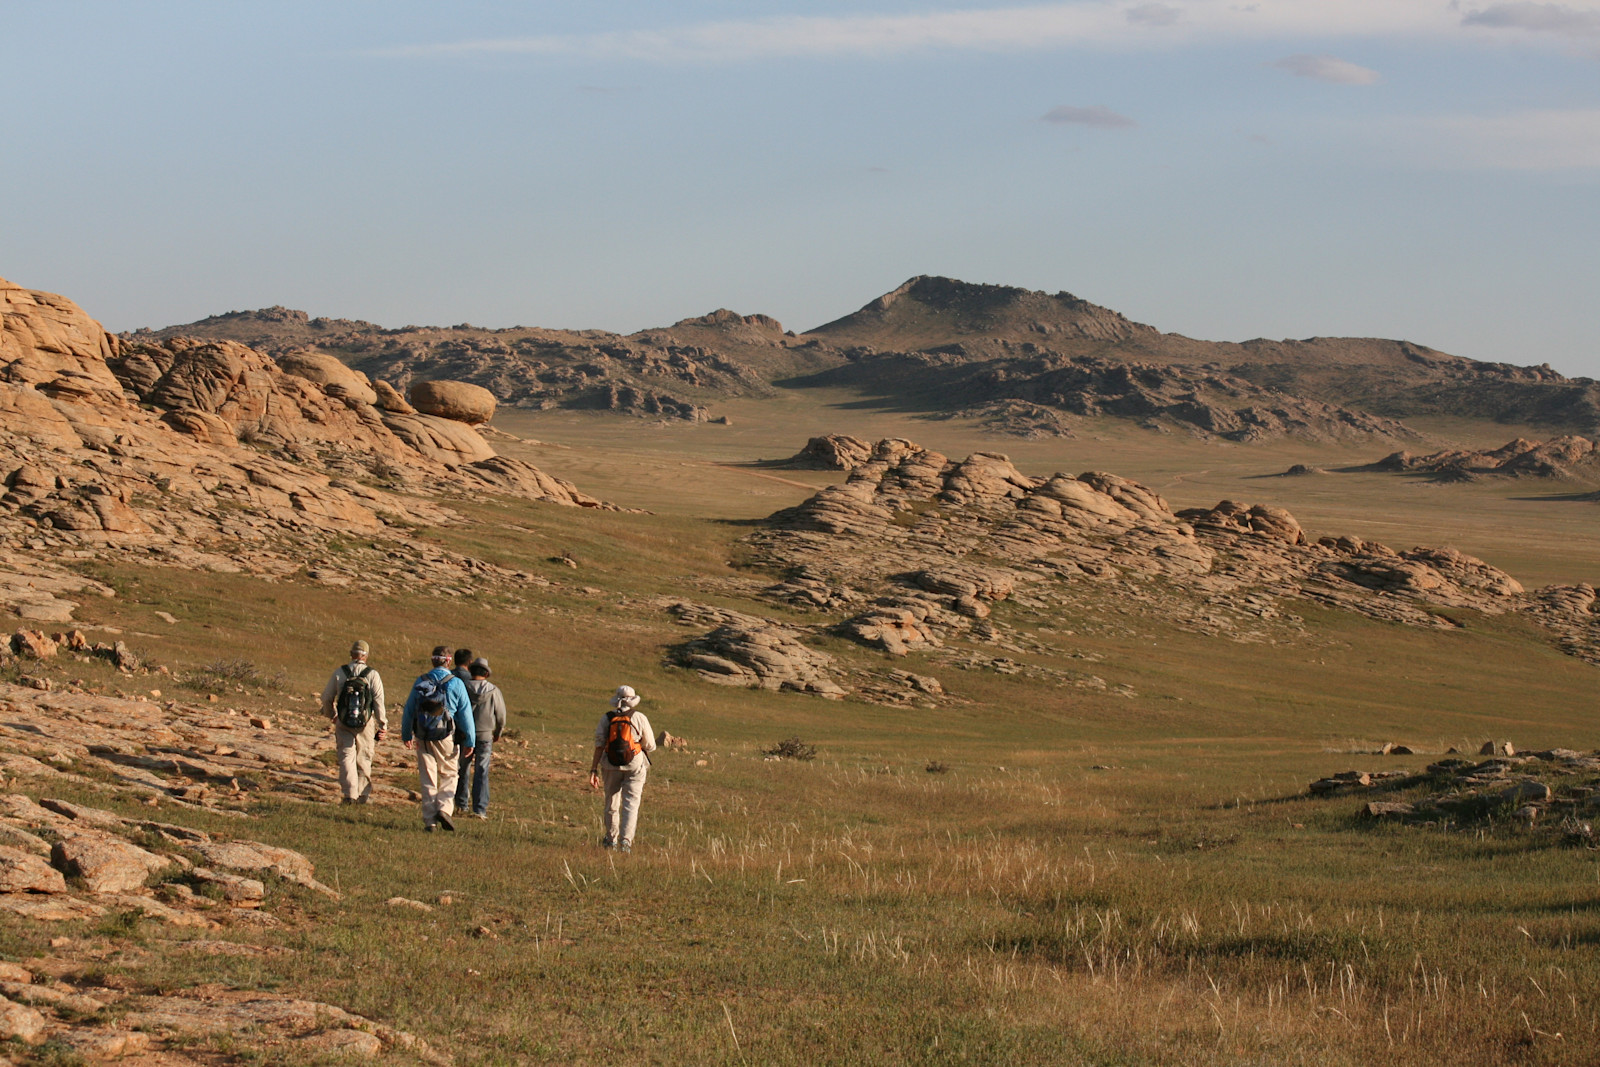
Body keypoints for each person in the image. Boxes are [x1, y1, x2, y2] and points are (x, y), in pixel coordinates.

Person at [401, 645, 475, 832]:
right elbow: (465, 715)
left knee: (428, 777)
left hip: (423, 735)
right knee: (449, 773)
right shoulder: (456, 683)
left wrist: (406, 733)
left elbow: (409, 709)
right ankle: (444, 808)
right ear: (448, 661)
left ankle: (430, 820)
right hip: (445, 736)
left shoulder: (421, 680)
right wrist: (470, 741)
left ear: (432, 661)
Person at [588, 684, 656, 853]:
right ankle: (625, 841)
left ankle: (610, 839)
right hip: (635, 764)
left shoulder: (607, 718)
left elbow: (599, 744)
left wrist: (593, 769)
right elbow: (651, 745)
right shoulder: (639, 717)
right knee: (631, 804)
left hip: (610, 764)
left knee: (611, 802)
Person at [319, 640, 387, 804]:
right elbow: (378, 702)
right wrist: (383, 725)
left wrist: (333, 715)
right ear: (366, 656)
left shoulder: (340, 672)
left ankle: (350, 794)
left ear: (351, 654)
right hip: (366, 723)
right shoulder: (372, 674)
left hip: (343, 721)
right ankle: (363, 794)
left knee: (346, 756)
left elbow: (327, 697)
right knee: (364, 756)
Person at [456, 657, 506, 819]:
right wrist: (498, 732)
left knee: (462, 769)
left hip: (464, 735)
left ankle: (461, 804)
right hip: (485, 736)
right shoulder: (494, 691)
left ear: (471, 671)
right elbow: (501, 716)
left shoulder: (463, 687)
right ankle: (480, 808)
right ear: (486, 673)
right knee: (482, 771)